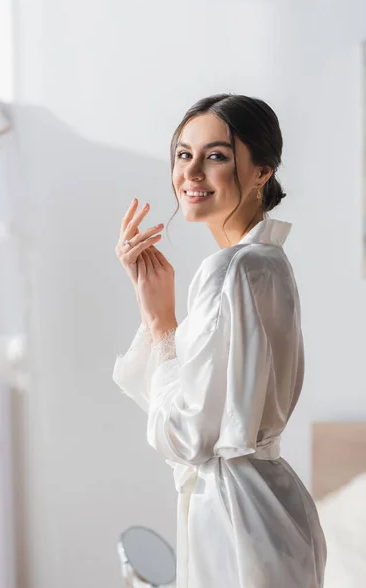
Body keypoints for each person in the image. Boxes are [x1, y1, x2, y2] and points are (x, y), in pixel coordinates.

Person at [112, 94, 327, 588]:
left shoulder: (229, 270)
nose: (191, 173)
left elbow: (187, 436)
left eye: (216, 156)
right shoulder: (268, 261)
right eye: (183, 154)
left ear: (261, 173)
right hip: (274, 510)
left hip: (234, 525)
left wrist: (160, 321)